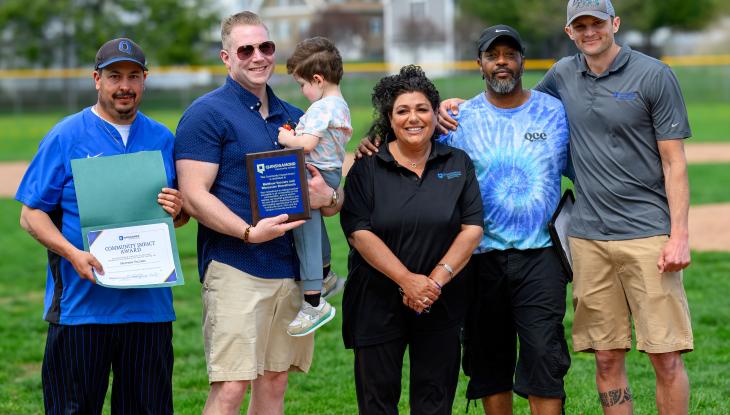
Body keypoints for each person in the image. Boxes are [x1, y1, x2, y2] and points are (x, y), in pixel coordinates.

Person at [441, 1, 694, 413]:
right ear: (569, 31)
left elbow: (674, 161)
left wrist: (679, 235)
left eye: (597, 22)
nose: (590, 31)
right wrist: (451, 106)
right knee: (607, 357)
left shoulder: (653, 74)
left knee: (665, 356)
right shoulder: (562, 75)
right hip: (587, 240)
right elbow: (511, 108)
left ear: (615, 23)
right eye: (581, 25)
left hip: (646, 233)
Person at [357, 26, 572, 415]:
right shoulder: (457, 119)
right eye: (493, 56)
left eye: (510, 54)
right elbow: (411, 142)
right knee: (490, 362)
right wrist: (372, 141)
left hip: (541, 254)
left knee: (545, 358)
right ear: (480, 64)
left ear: (522, 60)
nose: (502, 62)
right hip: (479, 259)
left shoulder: (554, 111)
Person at [174, 11, 341, 414]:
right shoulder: (206, 113)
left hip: (290, 268)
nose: (257, 57)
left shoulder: (296, 116)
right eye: (245, 49)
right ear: (226, 57)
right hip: (237, 264)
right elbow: (194, 195)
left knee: (275, 382)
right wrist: (249, 232)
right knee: (231, 387)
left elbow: (327, 197)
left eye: (265, 47)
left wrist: (328, 199)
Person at [15, 38, 185, 414]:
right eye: (114, 76)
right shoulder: (65, 135)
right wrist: (72, 254)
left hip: (149, 309)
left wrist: (179, 208)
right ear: (97, 79)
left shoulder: (162, 138)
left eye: (133, 76)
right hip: (81, 307)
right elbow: (31, 215)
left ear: (144, 80)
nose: (124, 85)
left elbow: (179, 214)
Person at [341, 64, 484, 414]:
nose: (413, 118)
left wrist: (433, 283)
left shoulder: (457, 162)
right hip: (376, 302)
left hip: (442, 300)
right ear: (389, 119)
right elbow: (359, 233)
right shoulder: (368, 167)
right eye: (402, 111)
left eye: (422, 109)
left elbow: (472, 228)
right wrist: (407, 282)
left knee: (435, 402)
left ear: (435, 115)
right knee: (377, 403)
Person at [277, 36, 352, 337]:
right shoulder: (339, 105)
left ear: (318, 80)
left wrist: (286, 139)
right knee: (314, 227)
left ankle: (314, 302)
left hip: (314, 173)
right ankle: (326, 275)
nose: (302, 91)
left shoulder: (323, 107)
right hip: (329, 174)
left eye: (302, 85)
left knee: (304, 233)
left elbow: (307, 144)